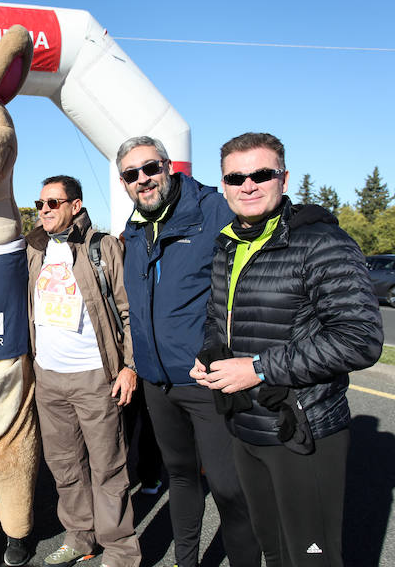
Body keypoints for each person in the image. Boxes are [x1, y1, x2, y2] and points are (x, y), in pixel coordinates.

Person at [191, 132, 383, 566]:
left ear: (284, 178)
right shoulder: (227, 243)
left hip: (304, 429)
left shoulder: (322, 243)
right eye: (235, 177)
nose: (248, 185)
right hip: (246, 425)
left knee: (311, 557)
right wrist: (210, 356)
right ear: (223, 184)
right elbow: (218, 319)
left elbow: (360, 339)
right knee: (273, 550)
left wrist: (258, 368)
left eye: (261, 174)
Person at [118, 136, 260, 567]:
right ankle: (187, 561)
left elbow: (249, 284)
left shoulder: (214, 209)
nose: (143, 180)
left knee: (228, 485)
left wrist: (224, 351)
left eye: (150, 168)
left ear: (168, 166)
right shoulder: (135, 226)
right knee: (179, 477)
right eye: (131, 175)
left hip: (205, 378)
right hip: (157, 381)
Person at [26, 176, 141, 567]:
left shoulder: (101, 246)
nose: (44, 210)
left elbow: (128, 311)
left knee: (108, 467)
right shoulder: (34, 250)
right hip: (49, 378)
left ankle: (121, 550)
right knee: (64, 466)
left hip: (96, 375)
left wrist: (129, 366)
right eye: (40, 203)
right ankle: (80, 537)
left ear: (75, 206)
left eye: (53, 203)